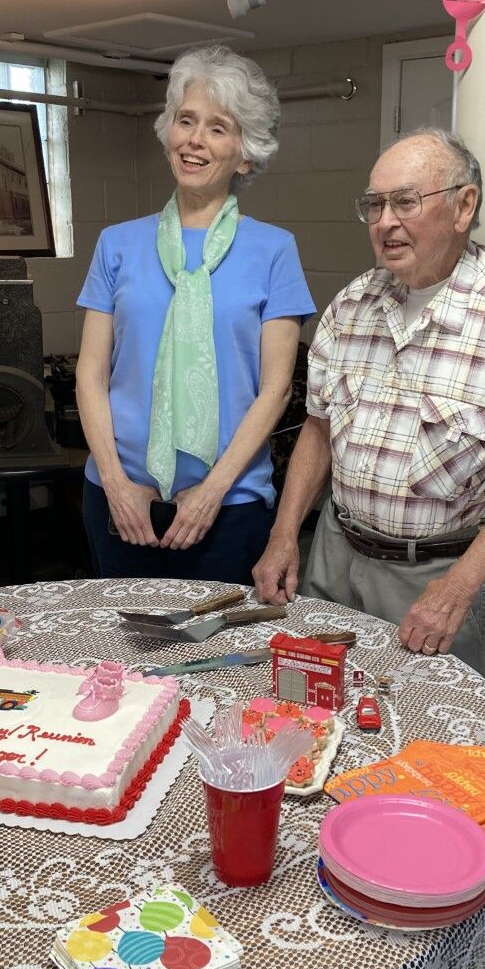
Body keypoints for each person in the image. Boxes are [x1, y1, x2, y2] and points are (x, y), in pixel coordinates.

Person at [253, 128, 485, 692]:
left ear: (464, 206)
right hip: (334, 558)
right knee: (315, 714)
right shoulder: (353, 303)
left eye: (405, 201)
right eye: (374, 205)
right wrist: (286, 534)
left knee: (433, 749)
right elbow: (318, 429)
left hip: (444, 575)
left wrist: (461, 586)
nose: (385, 221)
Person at [76, 45, 315, 585]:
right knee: (121, 660)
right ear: (167, 133)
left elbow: (274, 391)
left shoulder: (274, 251)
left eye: (218, 128)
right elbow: (90, 375)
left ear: (246, 154)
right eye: (186, 121)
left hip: (229, 505)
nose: (195, 140)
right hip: (120, 499)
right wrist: (115, 484)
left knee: (213, 666)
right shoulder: (117, 244)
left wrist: (211, 493)